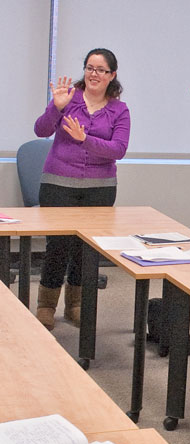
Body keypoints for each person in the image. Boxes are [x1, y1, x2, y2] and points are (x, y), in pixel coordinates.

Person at [33, 48, 131, 330]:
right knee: (57, 246)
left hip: (99, 189)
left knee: (85, 249)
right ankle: (46, 305)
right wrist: (56, 107)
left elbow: (118, 149)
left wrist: (84, 138)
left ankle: (75, 304)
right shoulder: (69, 98)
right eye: (90, 68)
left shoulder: (119, 109)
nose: (93, 74)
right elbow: (41, 130)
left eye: (101, 70)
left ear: (112, 75)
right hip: (58, 184)